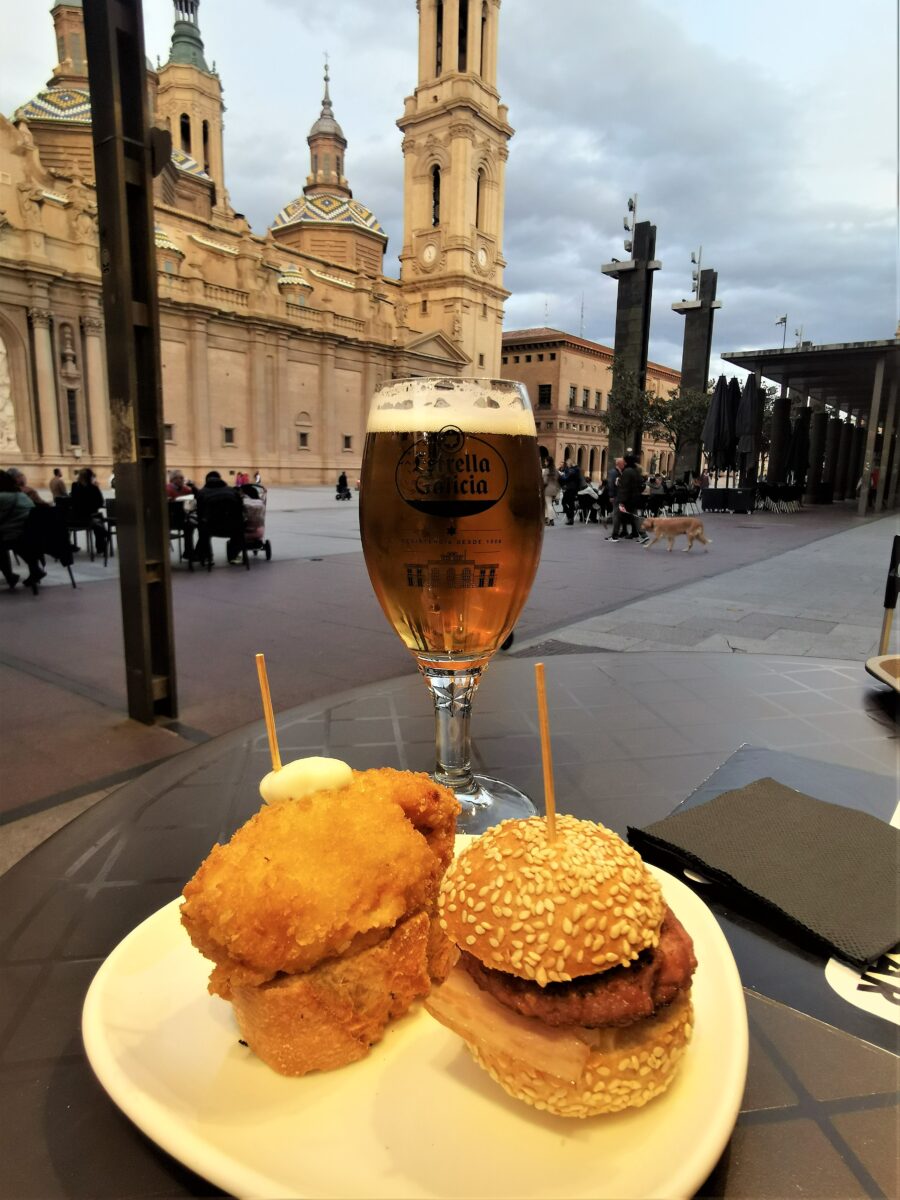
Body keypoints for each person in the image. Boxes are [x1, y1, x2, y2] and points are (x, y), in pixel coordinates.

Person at [0, 469, 43, 588]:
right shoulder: (22, 495)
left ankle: (9, 576)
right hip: (31, 533)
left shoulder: (2, 497)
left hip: (15, 535)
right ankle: (35, 570)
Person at [195, 470, 241, 564]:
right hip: (232, 528)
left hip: (211, 528)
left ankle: (207, 556)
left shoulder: (202, 493)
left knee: (202, 526)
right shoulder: (232, 491)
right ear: (220, 479)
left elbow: (199, 513)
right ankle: (233, 555)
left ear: (206, 481)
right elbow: (240, 510)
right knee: (239, 524)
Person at [608, 454, 649, 545]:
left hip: (625, 498)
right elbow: (641, 484)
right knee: (634, 517)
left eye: (625, 461)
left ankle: (614, 535)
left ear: (627, 462)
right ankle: (643, 535)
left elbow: (624, 487)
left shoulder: (627, 471)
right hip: (633, 498)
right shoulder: (636, 471)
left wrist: (621, 500)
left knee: (617, 516)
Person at [69, 467, 108, 555]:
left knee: (97, 521)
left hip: (75, 518)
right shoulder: (93, 488)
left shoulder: (74, 486)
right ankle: (101, 545)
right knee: (98, 521)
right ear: (90, 477)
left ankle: (103, 537)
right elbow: (100, 502)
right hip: (89, 518)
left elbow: (73, 500)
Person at [560, 460, 584, 525]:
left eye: (567, 463)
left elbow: (566, 478)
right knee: (570, 504)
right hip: (573, 489)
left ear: (570, 463)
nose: (566, 465)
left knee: (565, 502)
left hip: (570, 488)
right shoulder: (576, 469)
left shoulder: (572, 470)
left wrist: (561, 475)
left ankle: (570, 518)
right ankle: (570, 519)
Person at [541, 456, 560, 525]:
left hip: (548, 489)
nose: (544, 462)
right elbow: (559, 479)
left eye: (545, 461)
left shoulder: (547, 470)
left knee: (548, 505)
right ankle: (546, 518)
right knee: (547, 504)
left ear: (548, 462)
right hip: (555, 489)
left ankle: (551, 520)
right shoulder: (555, 470)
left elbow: (544, 481)